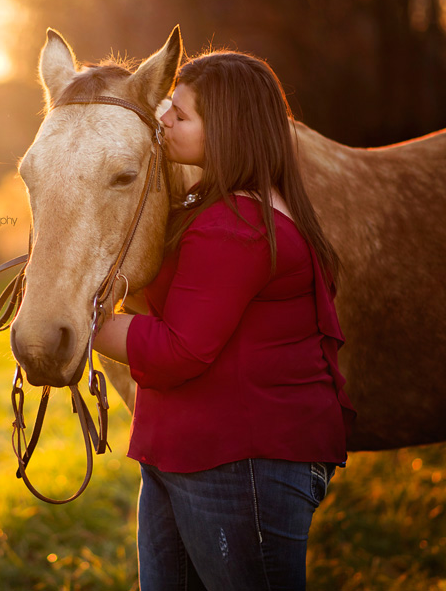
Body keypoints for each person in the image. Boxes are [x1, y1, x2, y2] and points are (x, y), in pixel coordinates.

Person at [92, 50, 356, 590]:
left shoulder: (236, 228)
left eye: (180, 115)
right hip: (191, 449)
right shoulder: (222, 206)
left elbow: (179, 350)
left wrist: (83, 321)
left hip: (241, 462)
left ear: (228, 130)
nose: (163, 119)